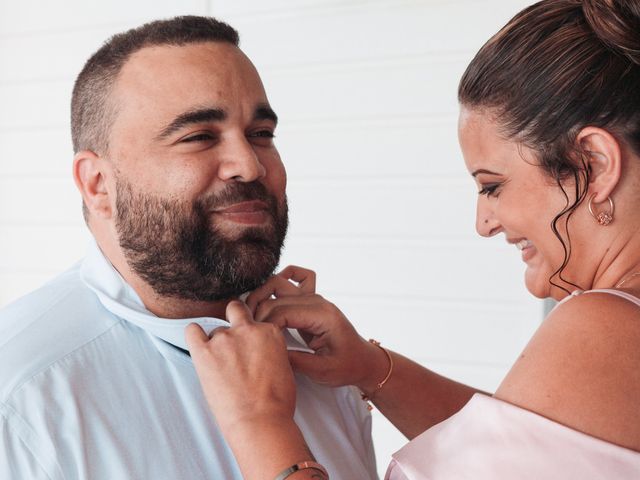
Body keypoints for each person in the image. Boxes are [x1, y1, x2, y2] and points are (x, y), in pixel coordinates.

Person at [185, 1, 640, 478]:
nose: (483, 222)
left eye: (492, 186)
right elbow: (538, 445)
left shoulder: (607, 326)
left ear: (595, 163)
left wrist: (258, 421)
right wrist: (371, 368)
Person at [0, 16, 378, 480]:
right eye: (198, 137)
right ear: (98, 184)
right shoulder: (20, 398)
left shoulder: (323, 362)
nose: (249, 166)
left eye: (261, 134)